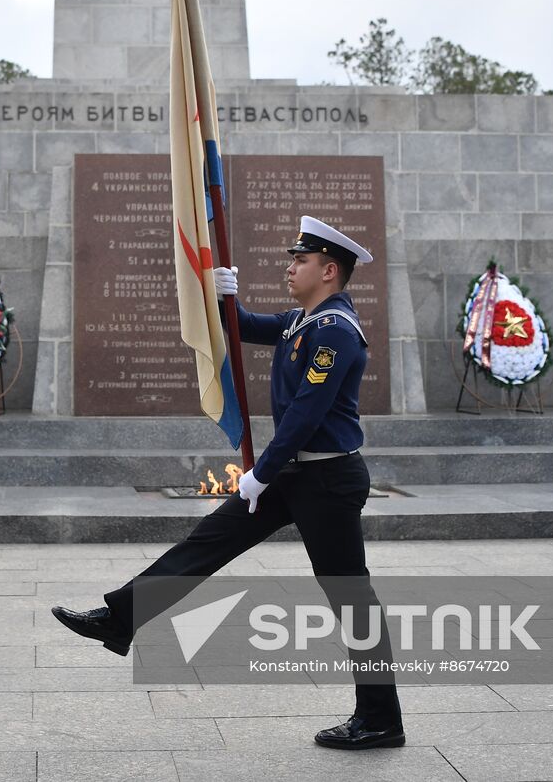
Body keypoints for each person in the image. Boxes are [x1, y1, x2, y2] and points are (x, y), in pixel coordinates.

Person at [52, 215, 404, 751]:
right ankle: (120, 617)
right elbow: (244, 327)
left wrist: (260, 473)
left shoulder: (336, 332)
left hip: (328, 479)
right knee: (206, 544)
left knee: (350, 596)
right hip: (294, 472)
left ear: (329, 271)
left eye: (301, 260)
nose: (290, 267)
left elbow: (307, 415)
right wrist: (223, 297)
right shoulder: (302, 322)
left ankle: (380, 719)